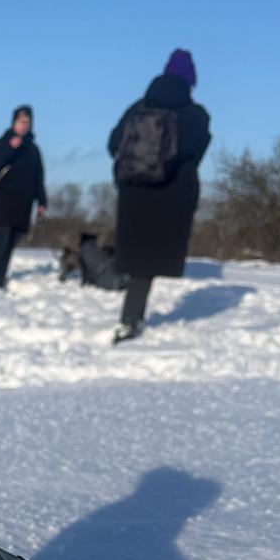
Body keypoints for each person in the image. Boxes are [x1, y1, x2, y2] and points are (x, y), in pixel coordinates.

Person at [107, 50, 211, 343]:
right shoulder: (196, 114)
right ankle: (130, 320)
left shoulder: (137, 107)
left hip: (133, 191)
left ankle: (128, 309)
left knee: (133, 254)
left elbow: (113, 143)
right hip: (170, 194)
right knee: (148, 260)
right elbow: (194, 153)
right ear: (191, 81)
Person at [0, 106, 46, 288]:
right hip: (3, 201)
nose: (24, 125)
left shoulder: (33, 149)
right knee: (1, 240)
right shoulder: (3, 142)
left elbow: (39, 177)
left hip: (23, 204)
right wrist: (10, 148)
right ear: (14, 123)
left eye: (27, 122)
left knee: (12, 242)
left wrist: (42, 201)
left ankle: (0, 277)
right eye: (21, 121)